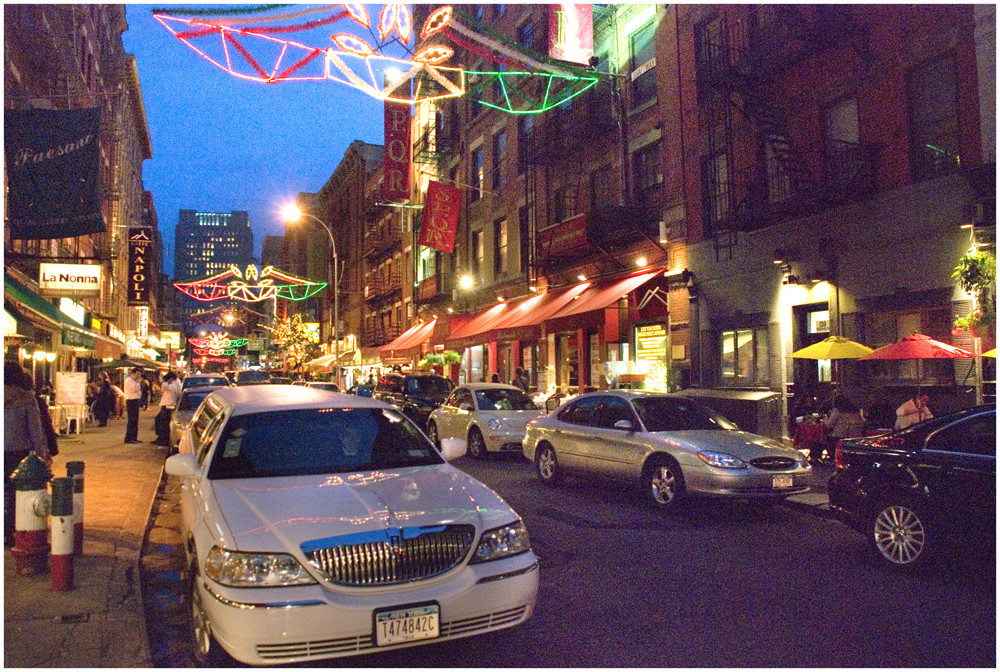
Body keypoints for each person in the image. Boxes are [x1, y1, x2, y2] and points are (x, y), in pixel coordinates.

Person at [5, 362, 51, 547]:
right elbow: (35, 431)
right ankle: (12, 532)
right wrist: (43, 454)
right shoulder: (25, 398)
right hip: (18, 454)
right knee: (18, 495)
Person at [822, 394, 866, 462]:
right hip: (856, 436)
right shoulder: (855, 411)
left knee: (825, 438)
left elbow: (829, 425)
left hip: (840, 436)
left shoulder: (837, 411)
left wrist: (825, 418)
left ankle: (833, 457)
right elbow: (863, 423)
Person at [154, 372, 182, 447]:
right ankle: (163, 438)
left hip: (167, 405)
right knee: (164, 422)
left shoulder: (167, 385)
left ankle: (163, 439)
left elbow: (161, 391)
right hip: (171, 404)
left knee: (163, 423)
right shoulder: (177, 383)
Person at [123, 367, 143, 444]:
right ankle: (129, 438)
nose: (139, 376)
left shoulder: (135, 381)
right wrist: (138, 383)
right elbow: (135, 389)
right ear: (133, 373)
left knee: (135, 420)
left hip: (136, 400)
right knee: (131, 420)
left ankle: (134, 437)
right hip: (131, 401)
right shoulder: (129, 380)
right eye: (138, 374)